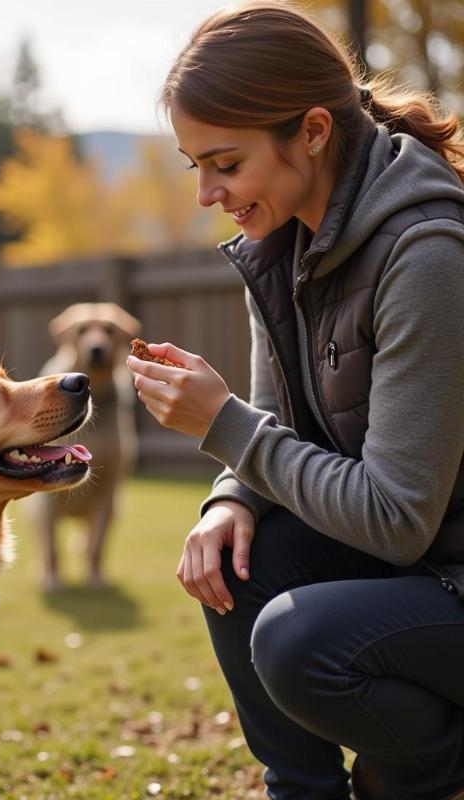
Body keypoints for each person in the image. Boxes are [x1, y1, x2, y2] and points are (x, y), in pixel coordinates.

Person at [126, 4, 464, 800]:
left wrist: (222, 427)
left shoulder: (428, 253)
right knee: (233, 562)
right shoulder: (279, 245)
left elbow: (397, 516)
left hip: (441, 565)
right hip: (413, 568)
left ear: (313, 132)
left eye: (226, 163)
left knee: (298, 638)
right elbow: (273, 432)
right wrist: (228, 499)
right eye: (193, 166)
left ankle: (440, 772)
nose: (208, 192)